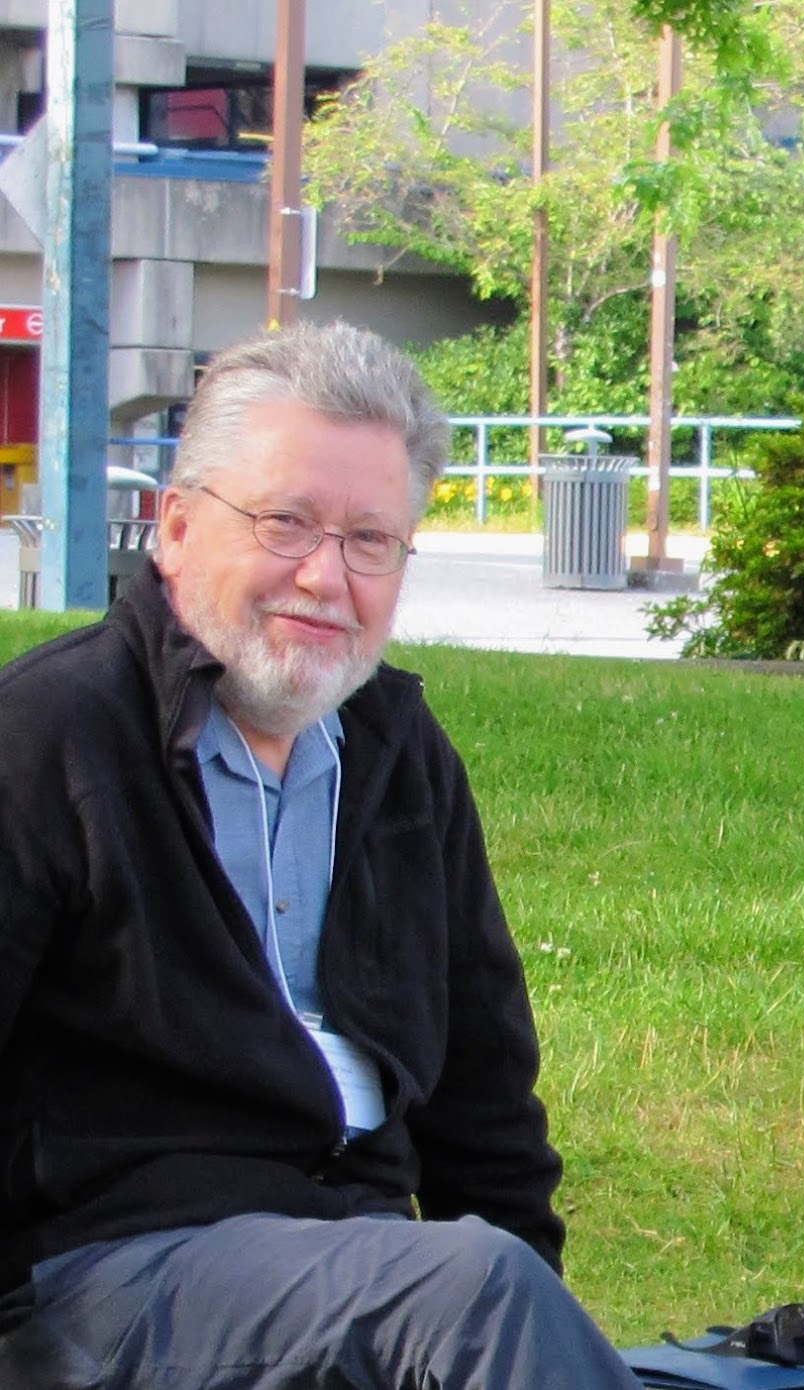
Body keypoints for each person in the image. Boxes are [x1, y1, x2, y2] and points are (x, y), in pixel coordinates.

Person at [0, 322, 637, 1387]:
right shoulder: (50, 739)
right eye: (288, 523)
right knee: (471, 1287)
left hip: (361, 1257)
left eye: (369, 540)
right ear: (177, 527)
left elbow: (485, 1088)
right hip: (110, 1275)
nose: (325, 576)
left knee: (483, 1285)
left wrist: (536, 1312)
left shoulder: (398, 753)